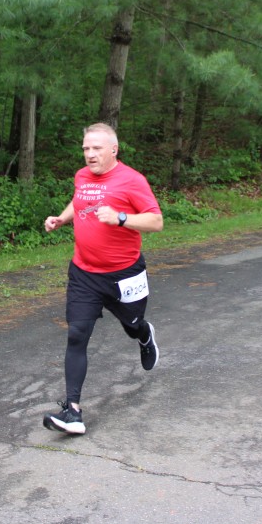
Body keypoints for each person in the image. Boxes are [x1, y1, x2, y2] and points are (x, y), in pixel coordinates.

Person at [42, 123, 164, 435]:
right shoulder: (82, 176)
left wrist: (121, 218)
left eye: (96, 148)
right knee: (77, 334)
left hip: (124, 274)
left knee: (132, 325)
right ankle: (73, 412)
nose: (90, 154)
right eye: (86, 148)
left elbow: (156, 221)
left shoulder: (132, 180)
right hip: (84, 273)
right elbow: (79, 200)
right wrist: (62, 218)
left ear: (113, 149)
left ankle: (144, 334)